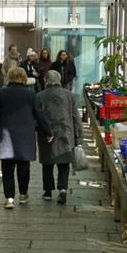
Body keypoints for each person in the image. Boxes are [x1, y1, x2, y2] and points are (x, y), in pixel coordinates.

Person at [0, 67, 53, 209]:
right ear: (24, 78)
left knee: (7, 169)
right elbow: (39, 115)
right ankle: (23, 195)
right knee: (24, 168)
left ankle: (9, 198)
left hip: (6, 136)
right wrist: (48, 131)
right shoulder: (31, 94)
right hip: (25, 136)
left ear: (9, 77)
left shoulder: (2, 92)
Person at [36, 70, 83, 205]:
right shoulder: (70, 96)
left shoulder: (39, 96)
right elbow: (76, 118)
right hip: (65, 133)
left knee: (47, 163)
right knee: (64, 163)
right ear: (59, 80)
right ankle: (62, 189)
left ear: (46, 81)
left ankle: (48, 191)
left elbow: (37, 117)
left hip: (47, 133)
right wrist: (79, 137)